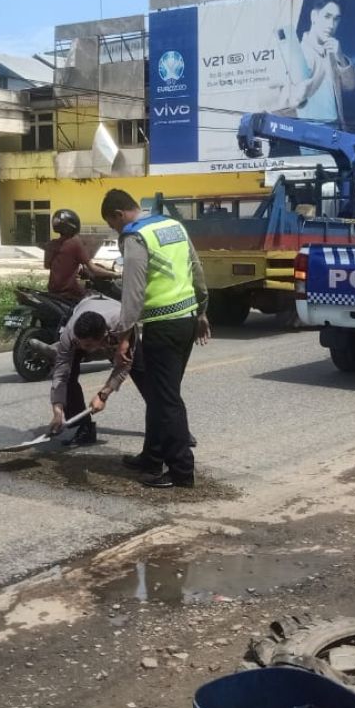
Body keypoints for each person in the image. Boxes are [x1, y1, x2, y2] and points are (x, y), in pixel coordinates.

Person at [101, 189, 210, 489]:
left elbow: (132, 293)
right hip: (186, 320)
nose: (117, 231)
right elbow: (196, 269)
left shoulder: (135, 237)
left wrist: (124, 337)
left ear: (119, 215)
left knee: (165, 399)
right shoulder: (172, 225)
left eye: (113, 225)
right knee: (163, 394)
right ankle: (152, 456)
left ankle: (180, 471)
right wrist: (202, 311)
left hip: (162, 326)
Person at [48, 296, 132, 448]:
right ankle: (84, 428)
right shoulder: (70, 335)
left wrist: (103, 395)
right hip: (85, 306)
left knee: (145, 377)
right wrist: (57, 410)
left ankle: (173, 431)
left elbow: (125, 366)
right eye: (79, 343)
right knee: (69, 378)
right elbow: (60, 374)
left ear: (101, 338)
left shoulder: (122, 326)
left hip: (115, 315)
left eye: (87, 345)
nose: (81, 346)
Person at [274, 0, 355, 133]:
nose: (331, 25)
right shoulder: (299, 53)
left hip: (336, 129)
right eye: (327, 17)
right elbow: (283, 103)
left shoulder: (333, 51)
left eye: (336, 19)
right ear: (314, 16)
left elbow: (350, 85)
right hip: (311, 132)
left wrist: (341, 59)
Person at [44, 208, 120, 301]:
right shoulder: (75, 242)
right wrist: (115, 274)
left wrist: (78, 268)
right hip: (70, 293)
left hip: (53, 292)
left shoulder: (51, 244)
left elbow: (47, 265)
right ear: (73, 224)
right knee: (99, 300)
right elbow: (94, 269)